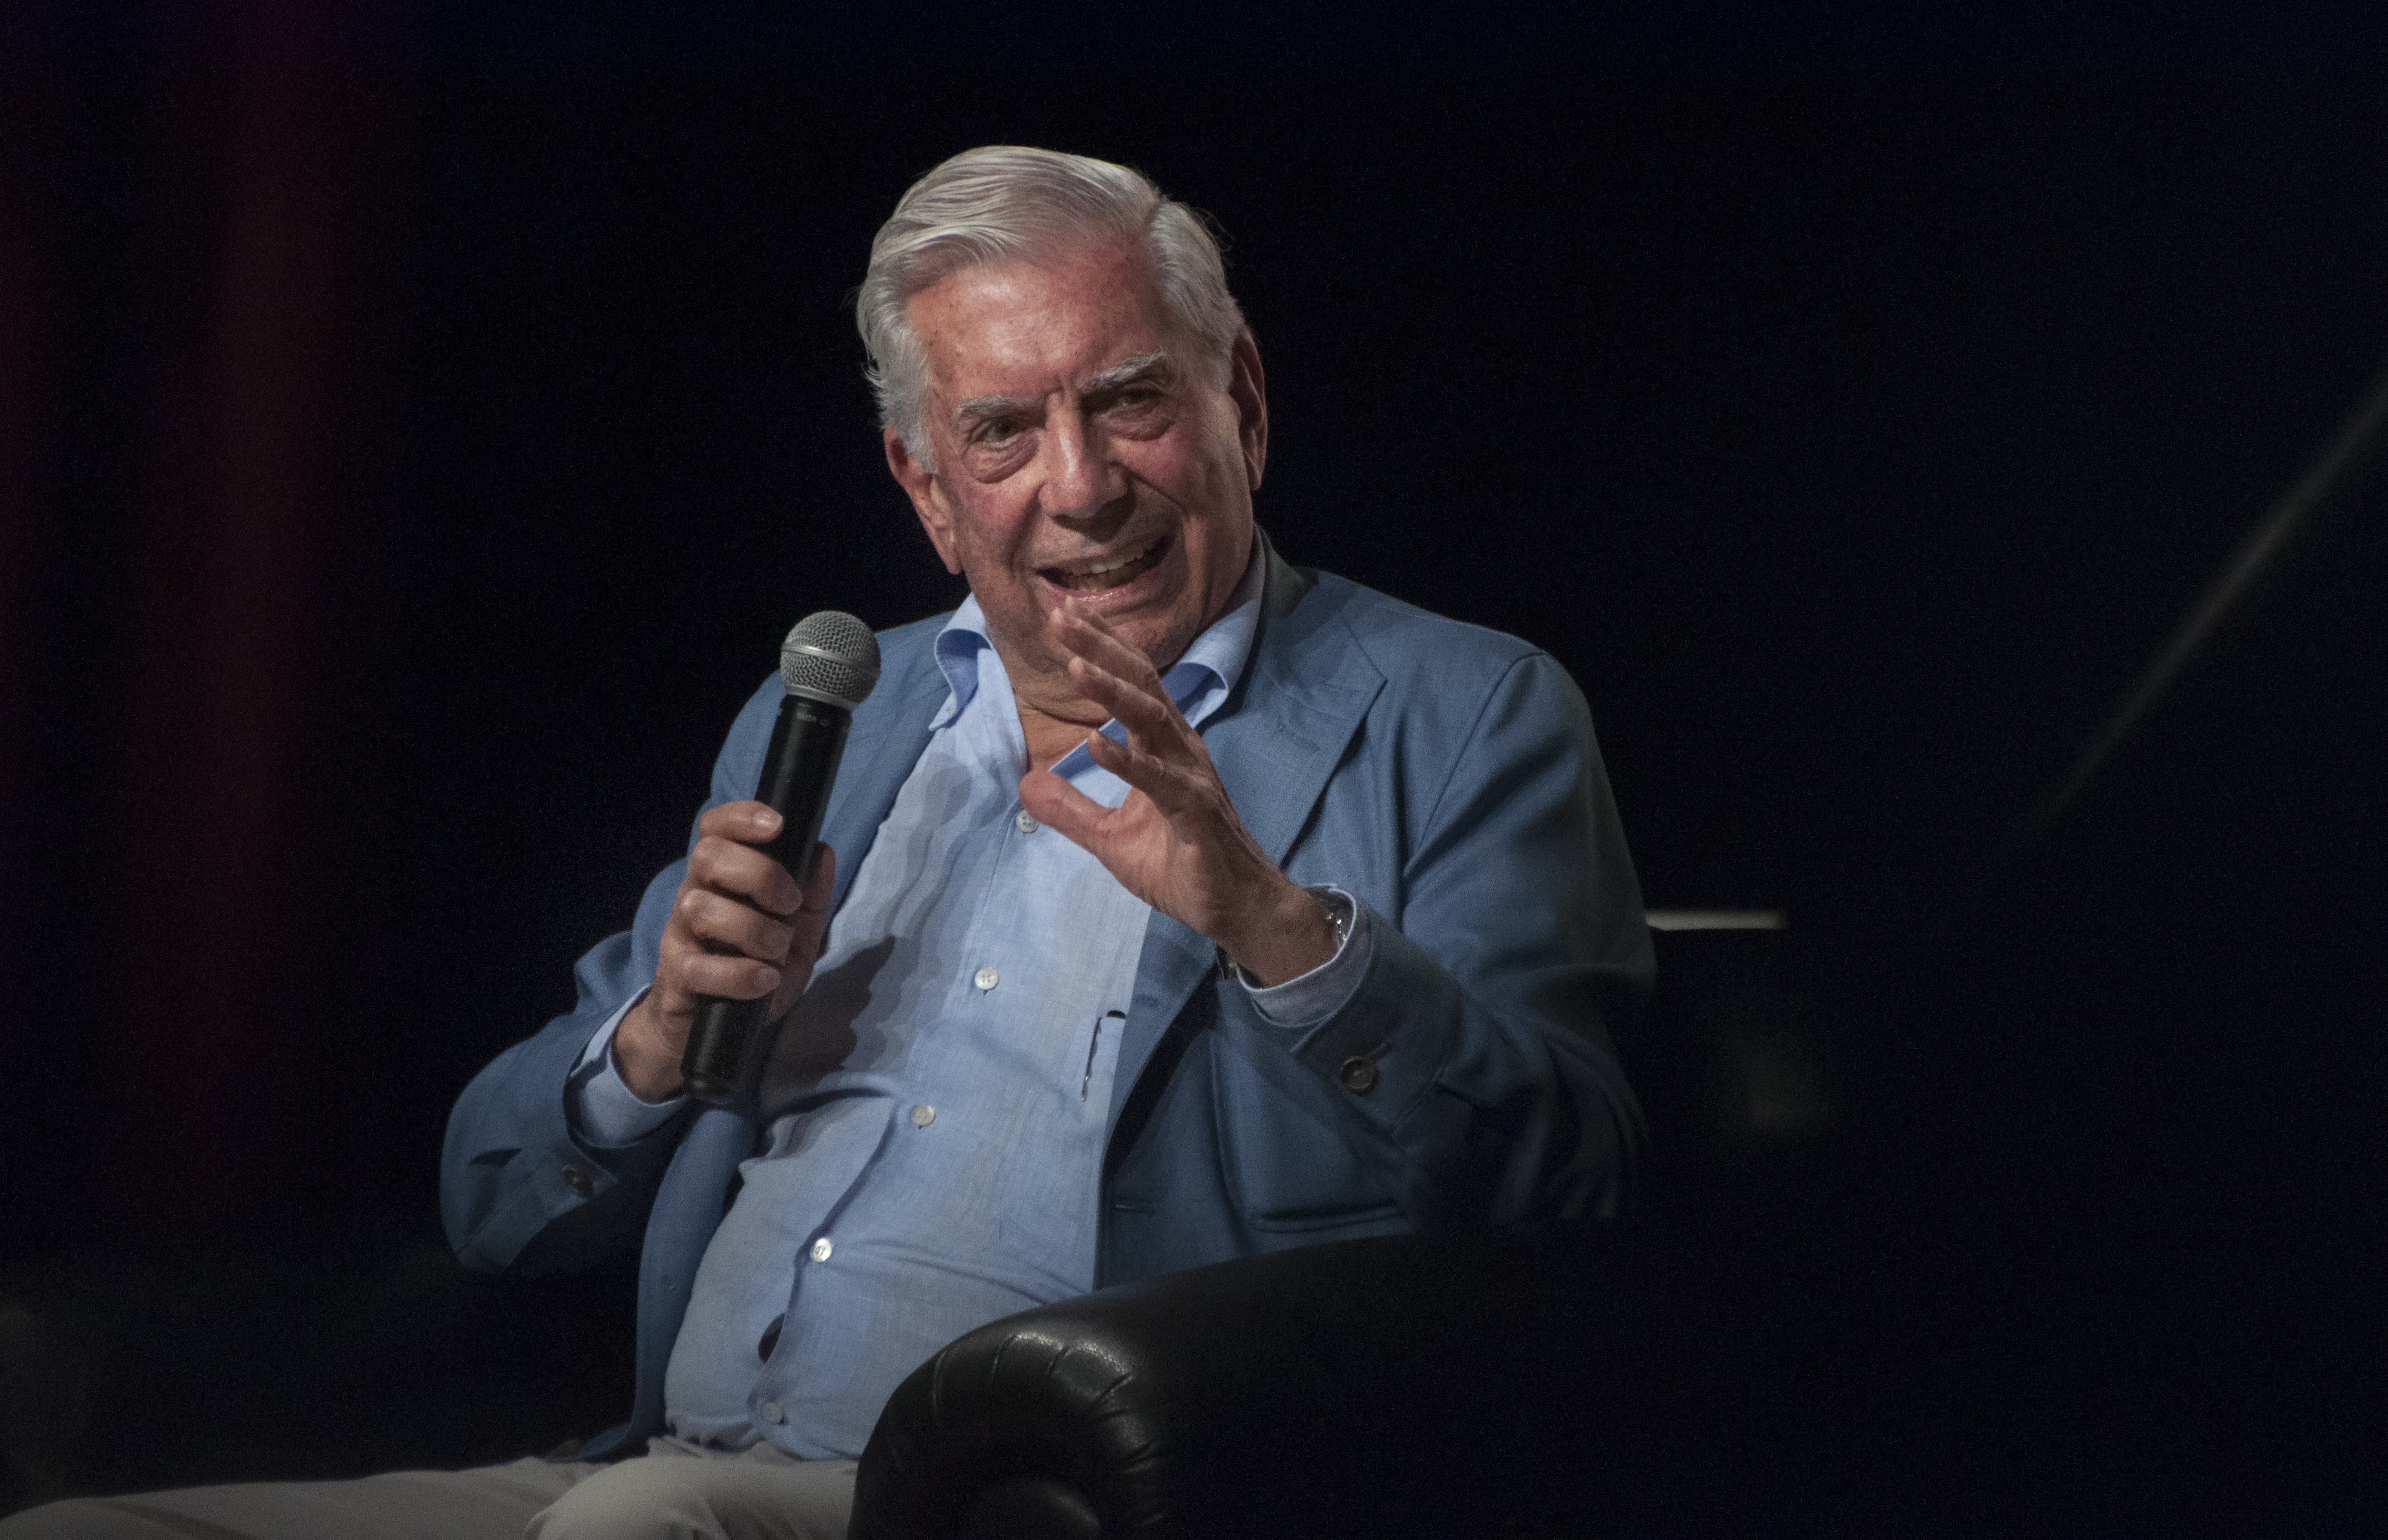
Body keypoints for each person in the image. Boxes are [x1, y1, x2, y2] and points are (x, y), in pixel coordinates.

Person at [2, 146, 1649, 1539]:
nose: (1080, 486)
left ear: (1244, 400)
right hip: (642, 1474)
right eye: (1002, 431)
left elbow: (1579, 1195)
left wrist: (1278, 929)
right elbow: (496, 1197)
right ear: (928, 488)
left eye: (1132, 400)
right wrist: (649, 1046)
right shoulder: (841, 726)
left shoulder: (1464, 712)